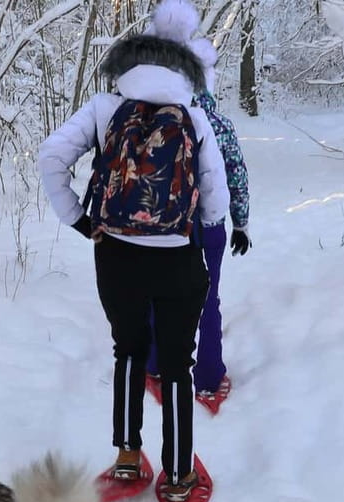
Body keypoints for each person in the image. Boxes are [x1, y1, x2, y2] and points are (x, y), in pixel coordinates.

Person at [38, 30, 229, 501]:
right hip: (178, 256)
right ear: (182, 71)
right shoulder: (194, 115)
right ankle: (180, 475)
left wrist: (81, 221)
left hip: (118, 255)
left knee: (128, 350)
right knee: (178, 366)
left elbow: (51, 155)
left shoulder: (105, 108)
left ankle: (127, 457)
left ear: (126, 67)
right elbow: (215, 194)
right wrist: (199, 230)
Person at [146, 32, 252, 398]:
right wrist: (241, 222)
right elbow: (236, 173)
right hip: (210, 225)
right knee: (208, 298)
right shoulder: (220, 123)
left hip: (165, 228)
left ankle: (155, 365)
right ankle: (208, 378)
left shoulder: (158, 118)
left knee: (160, 295)